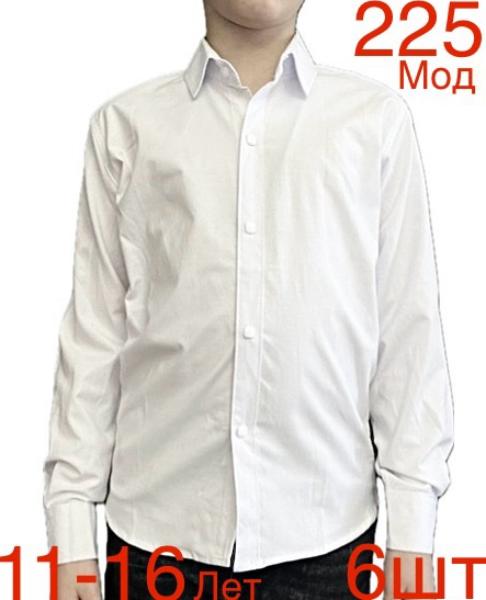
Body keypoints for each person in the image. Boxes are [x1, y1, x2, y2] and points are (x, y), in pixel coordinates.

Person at [42, 1, 454, 598]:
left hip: (329, 544)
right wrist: (71, 531)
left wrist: (413, 528)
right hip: (157, 540)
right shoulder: (127, 127)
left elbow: (408, 332)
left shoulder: (374, 122)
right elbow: (94, 336)